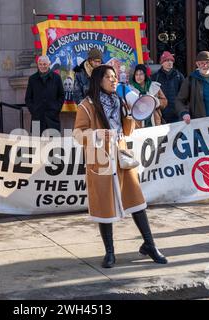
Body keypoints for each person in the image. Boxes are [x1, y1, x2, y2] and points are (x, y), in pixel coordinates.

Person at [73, 65, 168, 268]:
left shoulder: (120, 100)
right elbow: (77, 134)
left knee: (136, 201)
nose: (114, 80)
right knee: (104, 205)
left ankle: (150, 245)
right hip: (99, 159)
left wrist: (131, 116)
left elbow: (127, 131)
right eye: (109, 77)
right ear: (98, 80)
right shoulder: (86, 105)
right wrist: (97, 135)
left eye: (115, 76)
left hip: (121, 155)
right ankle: (110, 253)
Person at [25, 55, 64, 135]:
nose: (42, 66)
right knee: (37, 145)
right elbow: (28, 98)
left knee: (53, 145)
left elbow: (61, 96)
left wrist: (56, 109)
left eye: (44, 64)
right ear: (38, 65)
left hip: (52, 117)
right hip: (37, 117)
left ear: (49, 64)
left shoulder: (56, 78)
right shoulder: (32, 79)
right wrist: (34, 110)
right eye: (40, 64)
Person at [151, 51, 185, 123]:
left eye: (171, 60)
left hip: (176, 113)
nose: (169, 62)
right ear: (162, 63)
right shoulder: (155, 77)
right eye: (166, 60)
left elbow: (184, 94)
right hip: (161, 113)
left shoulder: (179, 76)